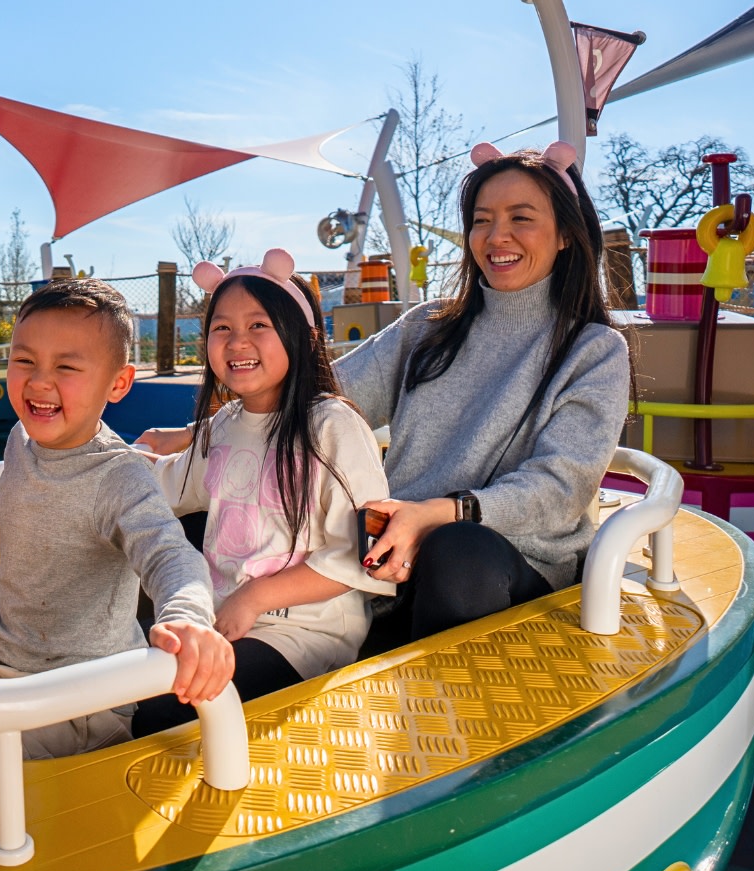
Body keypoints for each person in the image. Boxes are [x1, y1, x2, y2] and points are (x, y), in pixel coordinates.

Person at [138, 142, 630, 646]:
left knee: (458, 553)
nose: (495, 236)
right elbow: (318, 394)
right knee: (213, 513)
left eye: (520, 218)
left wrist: (437, 514)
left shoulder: (593, 350)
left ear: (567, 233)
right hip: (389, 548)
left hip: (500, 563)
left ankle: (436, 701)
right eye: (482, 220)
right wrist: (194, 436)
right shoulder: (428, 328)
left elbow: (560, 489)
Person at [0, 278, 233, 759]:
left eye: (66, 366)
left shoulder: (119, 477)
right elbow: (22, 501)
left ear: (117, 383)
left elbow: (170, 556)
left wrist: (187, 619)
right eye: (25, 361)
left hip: (77, 698)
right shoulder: (21, 438)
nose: (38, 381)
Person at [132, 250, 389, 737]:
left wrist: (255, 596)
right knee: (126, 680)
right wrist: (96, 465)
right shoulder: (224, 424)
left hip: (306, 634)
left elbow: (365, 551)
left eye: (258, 325)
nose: (237, 342)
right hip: (222, 620)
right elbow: (168, 483)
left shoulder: (333, 426)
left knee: (162, 711)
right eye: (222, 328)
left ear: (303, 338)